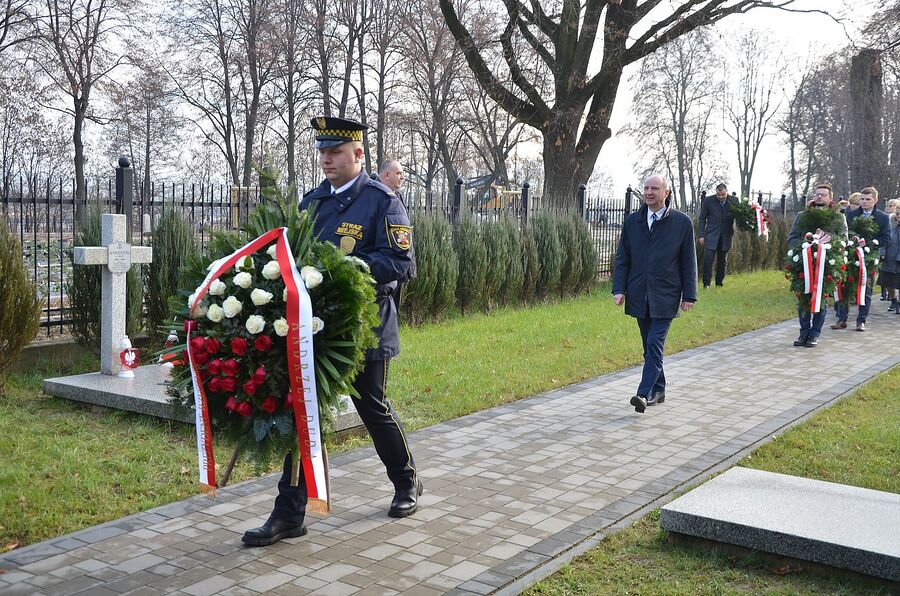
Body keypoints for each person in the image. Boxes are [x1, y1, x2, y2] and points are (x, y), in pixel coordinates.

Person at [242, 116, 421, 547]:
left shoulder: (382, 201)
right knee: (302, 414)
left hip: (364, 327)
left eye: (336, 151)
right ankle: (289, 513)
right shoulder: (312, 203)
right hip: (315, 329)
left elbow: (400, 263)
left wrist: (345, 271)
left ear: (358, 155)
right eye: (322, 151)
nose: (326, 159)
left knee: (371, 407)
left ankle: (406, 482)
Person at [612, 174, 697, 413]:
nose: (649, 192)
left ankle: (643, 393)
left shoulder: (682, 223)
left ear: (666, 193)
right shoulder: (632, 222)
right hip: (639, 293)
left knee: (654, 343)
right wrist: (619, 289)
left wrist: (689, 294)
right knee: (648, 345)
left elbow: (688, 261)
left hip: (666, 294)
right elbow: (623, 259)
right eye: (646, 188)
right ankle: (659, 389)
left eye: (655, 188)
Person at [788, 183, 848, 347]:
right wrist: (805, 245)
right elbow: (792, 238)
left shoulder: (838, 217)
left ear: (830, 198)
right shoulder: (802, 215)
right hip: (803, 263)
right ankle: (803, 333)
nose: (819, 197)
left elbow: (844, 238)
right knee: (804, 298)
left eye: (823, 194)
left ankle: (814, 334)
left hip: (827, 263)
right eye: (817, 194)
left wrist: (826, 242)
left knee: (820, 299)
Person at [831, 186, 891, 331]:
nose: (864, 202)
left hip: (869, 258)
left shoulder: (882, 217)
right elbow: (844, 232)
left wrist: (870, 244)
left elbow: (886, 237)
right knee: (845, 286)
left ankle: (861, 320)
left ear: (875, 200)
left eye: (867, 199)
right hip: (851, 254)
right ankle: (842, 318)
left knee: (866, 289)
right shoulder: (851, 215)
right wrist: (852, 241)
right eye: (862, 199)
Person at [697, 183, 737, 288]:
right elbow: (702, 218)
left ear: (726, 192)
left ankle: (719, 283)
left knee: (722, 260)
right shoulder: (708, 201)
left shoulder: (734, 200)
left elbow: (739, 217)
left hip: (726, 235)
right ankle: (706, 284)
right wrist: (701, 235)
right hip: (711, 235)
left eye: (723, 195)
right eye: (718, 195)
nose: (720, 197)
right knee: (708, 259)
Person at [880, 202, 900, 314]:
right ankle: (893, 299)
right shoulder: (890, 225)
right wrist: (882, 253)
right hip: (889, 257)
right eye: (897, 214)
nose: (898, 216)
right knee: (888, 282)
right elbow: (883, 240)